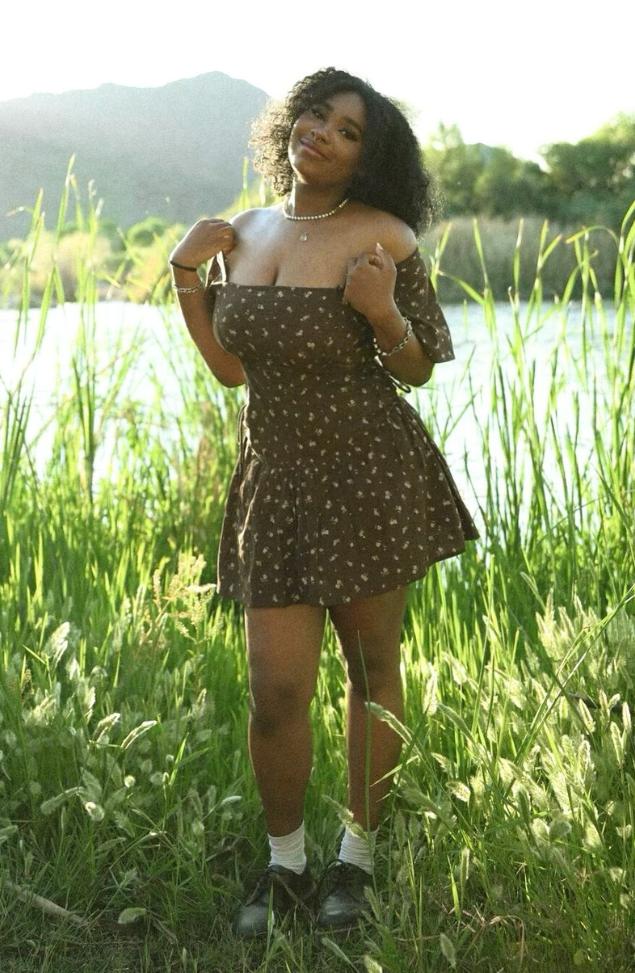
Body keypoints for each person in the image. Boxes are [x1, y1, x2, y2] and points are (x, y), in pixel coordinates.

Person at [168, 68, 478, 937]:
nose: (324, 135)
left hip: (367, 475)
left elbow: (418, 366)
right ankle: (286, 865)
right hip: (273, 480)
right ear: (290, 123)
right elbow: (230, 369)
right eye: (317, 116)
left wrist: (381, 313)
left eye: (349, 132)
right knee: (275, 688)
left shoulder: (386, 236)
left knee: (372, 673)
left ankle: (358, 860)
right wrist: (186, 273)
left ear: (368, 159)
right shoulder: (244, 230)